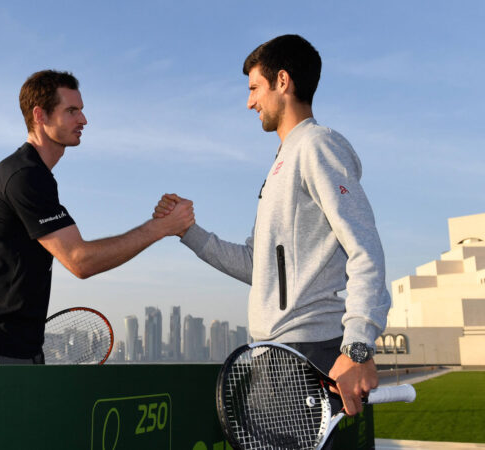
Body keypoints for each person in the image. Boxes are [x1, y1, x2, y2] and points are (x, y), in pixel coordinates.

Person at [155, 35, 391, 423]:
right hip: (276, 354)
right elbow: (257, 264)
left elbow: (366, 248)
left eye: (254, 88)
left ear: (282, 82)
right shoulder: (282, 162)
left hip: (308, 351)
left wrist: (358, 348)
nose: (250, 102)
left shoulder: (316, 146)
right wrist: (188, 231)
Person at [0, 70, 194, 365]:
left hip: (17, 344)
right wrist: (160, 228)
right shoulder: (24, 176)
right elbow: (80, 261)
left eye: (81, 110)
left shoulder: (35, 175)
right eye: (71, 111)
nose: (83, 120)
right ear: (40, 116)